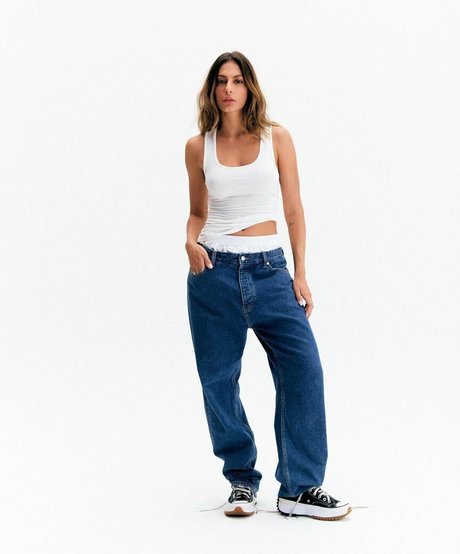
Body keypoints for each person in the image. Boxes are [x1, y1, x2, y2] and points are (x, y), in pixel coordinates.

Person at [184, 51, 351, 520]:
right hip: (212, 273)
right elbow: (197, 212)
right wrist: (189, 241)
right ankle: (241, 481)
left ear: (250, 87)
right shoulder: (198, 147)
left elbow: (294, 210)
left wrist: (300, 272)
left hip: (270, 270)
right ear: (212, 89)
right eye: (221, 81)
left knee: (304, 369)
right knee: (219, 381)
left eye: (237, 80)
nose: (229, 89)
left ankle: (299, 487)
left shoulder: (277, 138)